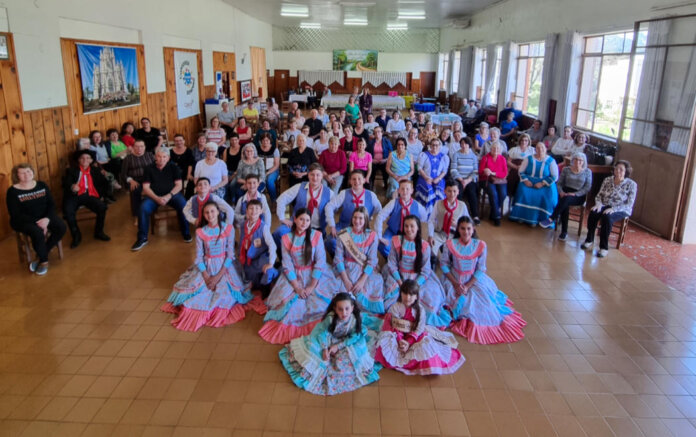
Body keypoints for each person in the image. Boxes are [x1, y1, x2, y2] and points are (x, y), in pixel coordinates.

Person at [161, 201, 254, 332]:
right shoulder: (200, 232)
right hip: (207, 266)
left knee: (224, 295)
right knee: (199, 291)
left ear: (218, 212)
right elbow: (199, 257)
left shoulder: (228, 229)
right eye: (206, 212)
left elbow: (230, 255)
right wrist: (206, 276)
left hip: (224, 266)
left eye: (212, 211)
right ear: (203, 215)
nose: (210, 215)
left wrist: (217, 277)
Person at [440, 217, 527, 344]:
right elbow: (444, 265)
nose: (466, 232)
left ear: (473, 229)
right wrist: (455, 284)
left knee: (481, 307)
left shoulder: (480, 245)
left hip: (473, 280)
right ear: (458, 229)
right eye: (462, 228)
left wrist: (467, 286)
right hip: (454, 279)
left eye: (469, 229)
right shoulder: (450, 244)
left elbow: (481, 269)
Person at [259, 208, 339, 344]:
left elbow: (320, 261)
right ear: (294, 219)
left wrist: (311, 286)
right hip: (294, 275)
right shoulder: (286, 238)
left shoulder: (317, 236)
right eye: (301, 219)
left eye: (307, 220)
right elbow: (287, 264)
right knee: (290, 305)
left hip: (315, 275)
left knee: (322, 304)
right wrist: (297, 287)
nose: (304, 223)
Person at [279, 292, 381, 395]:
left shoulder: (354, 320)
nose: (344, 313)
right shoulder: (331, 318)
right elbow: (322, 333)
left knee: (351, 355)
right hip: (328, 339)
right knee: (315, 351)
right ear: (335, 309)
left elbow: (355, 336)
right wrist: (324, 349)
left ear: (352, 308)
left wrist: (339, 346)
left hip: (345, 342)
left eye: (347, 309)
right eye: (340, 309)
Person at [375, 279, 465, 375]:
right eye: (405, 293)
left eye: (411, 294)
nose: (408, 297)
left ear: (416, 297)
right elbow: (395, 326)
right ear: (401, 293)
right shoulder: (395, 307)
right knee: (382, 346)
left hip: (413, 336)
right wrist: (400, 340)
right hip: (397, 335)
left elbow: (419, 329)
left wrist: (408, 342)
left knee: (426, 349)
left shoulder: (420, 311)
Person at [383, 215, 451, 328]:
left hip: (418, 278)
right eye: (406, 226)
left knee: (430, 298)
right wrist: (401, 283)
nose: (409, 229)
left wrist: (414, 286)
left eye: (412, 226)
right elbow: (392, 264)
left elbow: (425, 270)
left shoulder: (424, 246)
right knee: (392, 298)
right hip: (399, 276)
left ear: (418, 228)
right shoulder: (396, 241)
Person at [6, 163, 67, 275]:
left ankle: (41, 254)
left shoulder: (41, 185)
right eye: (23, 173)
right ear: (16, 175)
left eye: (29, 171)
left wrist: (47, 219)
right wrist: (38, 223)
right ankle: (44, 261)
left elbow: (51, 204)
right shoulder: (12, 191)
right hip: (23, 220)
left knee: (61, 227)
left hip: (44, 216)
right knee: (37, 232)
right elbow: (16, 214)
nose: (27, 174)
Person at [131, 146, 190, 251]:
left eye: (164, 157)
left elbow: (179, 185)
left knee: (183, 205)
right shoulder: (149, 168)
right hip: (154, 196)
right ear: (155, 157)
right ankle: (142, 238)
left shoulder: (173, 167)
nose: (161, 159)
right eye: (159, 156)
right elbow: (146, 187)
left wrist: (168, 196)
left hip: (172, 195)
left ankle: (186, 232)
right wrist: (157, 198)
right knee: (143, 208)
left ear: (168, 158)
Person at [335, 208, 387, 314]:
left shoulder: (372, 235)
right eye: (355, 217)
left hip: (364, 270)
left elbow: (372, 260)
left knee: (377, 281)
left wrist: (362, 280)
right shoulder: (343, 234)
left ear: (366, 220)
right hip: (346, 270)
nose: (357, 221)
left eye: (360, 218)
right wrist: (346, 280)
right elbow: (338, 259)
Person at [274, 163, 333, 256]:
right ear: (308, 174)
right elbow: (282, 198)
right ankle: (283, 259)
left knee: (308, 252)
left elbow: (336, 208)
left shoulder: (329, 193)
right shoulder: (299, 187)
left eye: (318, 175)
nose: (315, 178)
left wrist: (332, 225)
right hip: (296, 225)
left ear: (322, 176)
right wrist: (282, 218)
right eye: (312, 174)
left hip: (316, 228)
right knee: (278, 233)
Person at [581, 160, 637, 258]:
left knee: (607, 217)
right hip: (604, 204)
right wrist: (598, 204)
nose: (618, 171)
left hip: (621, 209)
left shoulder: (632, 184)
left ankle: (604, 247)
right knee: (594, 212)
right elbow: (599, 195)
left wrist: (614, 209)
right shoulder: (608, 180)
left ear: (626, 171)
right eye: (616, 168)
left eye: (621, 169)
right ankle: (589, 239)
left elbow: (629, 203)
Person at [324, 171, 382, 256]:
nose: (356, 181)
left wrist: (369, 216)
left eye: (359, 179)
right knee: (330, 241)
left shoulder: (371, 195)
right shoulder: (344, 193)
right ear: (350, 181)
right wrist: (332, 226)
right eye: (353, 179)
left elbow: (379, 210)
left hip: (363, 228)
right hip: (344, 226)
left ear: (364, 180)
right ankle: (338, 259)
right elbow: (329, 206)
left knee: (371, 242)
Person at [62, 150, 111, 248]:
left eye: (88, 158)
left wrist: (101, 196)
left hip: (90, 195)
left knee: (102, 207)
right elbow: (65, 183)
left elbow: (105, 184)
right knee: (68, 212)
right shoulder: (71, 170)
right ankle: (76, 235)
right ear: (78, 160)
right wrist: (72, 186)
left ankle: (99, 232)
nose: (85, 160)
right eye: (82, 158)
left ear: (91, 160)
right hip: (74, 195)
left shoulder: (95, 170)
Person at [540, 152, 592, 240]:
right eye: (576, 159)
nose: (578, 162)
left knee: (565, 200)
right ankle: (563, 232)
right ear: (573, 160)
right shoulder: (566, 169)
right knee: (565, 202)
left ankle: (552, 218)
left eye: (580, 160)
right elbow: (559, 184)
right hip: (565, 192)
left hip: (578, 195)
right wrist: (561, 192)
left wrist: (575, 194)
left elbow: (587, 188)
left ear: (583, 162)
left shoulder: (587, 172)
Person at [509, 142, 559, 226]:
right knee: (523, 191)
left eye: (542, 148)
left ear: (545, 149)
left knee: (547, 196)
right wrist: (525, 181)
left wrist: (542, 184)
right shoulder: (528, 158)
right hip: (529, 181)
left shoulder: (551, 161)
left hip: (544, 184)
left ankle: (543, 219)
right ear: (535, 149)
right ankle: (521, 217)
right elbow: (521, 171)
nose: (540, 150)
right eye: (538, 148)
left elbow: (555, 176)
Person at [374, 180, 427, 258]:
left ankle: (405, 262)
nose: (404, 191)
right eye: (402, 189)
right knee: (383, 246)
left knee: (417, 249)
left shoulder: (418, 206)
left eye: (407, 189)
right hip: (393, 231)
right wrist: (379, 236)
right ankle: (392, 260)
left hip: (410, 234)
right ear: (398, 190)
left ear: (412, 191)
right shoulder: (393, 203)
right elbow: (380, 216)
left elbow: (424, 218)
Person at [239, 199, 278, 298]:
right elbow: (242, 242)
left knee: (268, 271)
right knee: (250, 280)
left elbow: (272, 245)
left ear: (261, 211)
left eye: (257, 208)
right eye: (251, 208)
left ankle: (266, 286)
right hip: (249, 257)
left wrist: (271, 263)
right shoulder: (243, 225)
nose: (254, 211)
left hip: (261, 256)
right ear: (246, 211)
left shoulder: (263, 227)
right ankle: (258, 282)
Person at [428, 180, 470, 256]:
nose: (452, 194)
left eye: (454, 191)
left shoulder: (462, 205)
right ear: (445, 191)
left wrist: (457, 225)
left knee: (455, 255)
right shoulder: (438, 203)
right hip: (439, 233)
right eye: (449, 191)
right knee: (431, 250)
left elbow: (468, 224)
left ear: (458, 192)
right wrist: (430, 235)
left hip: (455, 235)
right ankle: (434, 260)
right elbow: (431, 220)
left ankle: (447, 253)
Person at [120, 140, 154, 223]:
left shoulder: (149, 155)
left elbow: (155, 168)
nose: (139, 148)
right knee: (135, 191)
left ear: (145, 147)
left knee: (157, 189)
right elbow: (123, 174)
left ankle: (152, 210)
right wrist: (130, 180)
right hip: (136, 180)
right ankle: (137, 215)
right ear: (133, 147)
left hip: (149, 179)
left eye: (142, 146)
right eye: (137, 146)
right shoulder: (128, 158)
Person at [415, 139, 450, 218]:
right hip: (424, 178)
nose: (434, 147)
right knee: (429, 190)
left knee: (439, 190)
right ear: (430, 146)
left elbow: (444, 171)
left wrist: (438, 178)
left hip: (438, 179)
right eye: (433, 145)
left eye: (436, 145)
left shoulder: (444, 157)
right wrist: (426, 178)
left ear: (439, 146)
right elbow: (419, 168)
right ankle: (427, 214)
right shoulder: (424, 155)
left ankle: (438, 214)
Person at [450, 137, 480, 225]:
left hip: (469, 179)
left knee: (472, 193)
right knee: (458, 193)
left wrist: (467, 180)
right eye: (462, 144)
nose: (464, 145)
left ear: (469, 145)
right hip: (459, 179)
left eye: (466, 144)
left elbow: (475, 171)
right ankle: (457, 215)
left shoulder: (473, 156)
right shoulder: (456, 155)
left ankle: (475, 215)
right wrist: (461, 180)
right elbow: (453, 170)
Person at [479, 141, 507, 226]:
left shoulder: (502, 159)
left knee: (503, 194)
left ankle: (493, 212)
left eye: (498, 148)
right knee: (493, 193)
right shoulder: (485, 158)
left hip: (499, 180)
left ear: (500, 150)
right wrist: (485, 171)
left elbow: (504, 173)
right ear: (490, 149)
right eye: (494, 148)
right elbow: (480, 172)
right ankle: (497, 216)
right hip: (486, 179)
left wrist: (494, 173)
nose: (496, 150)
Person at [506, 133, 535, 199]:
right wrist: (516, 167)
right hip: (515, 168)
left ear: (528, 141)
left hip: (527, 169)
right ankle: (510, 197)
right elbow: (508, 161)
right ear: (519, 141)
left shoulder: (532, 150)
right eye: (522, 140)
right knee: (512, 178)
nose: (524, 142)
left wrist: (524, 168)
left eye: (526, 140)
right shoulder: (514, 149)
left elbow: (534, 162)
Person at [170, 134, 195, 199]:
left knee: (190, 181)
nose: (179, 142)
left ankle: (187, 199)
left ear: (184, 141)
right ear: (174, 142)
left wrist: (189, 174)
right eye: (176, 141)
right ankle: (177, 197)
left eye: (180, 140)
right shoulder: (170, 151)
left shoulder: (188, 150)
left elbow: (190, 163)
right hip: (175, 172)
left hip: (186, 171)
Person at [256, 133, 280, 199]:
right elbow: (254, 162)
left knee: (269, 181)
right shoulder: (257, 150)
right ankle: (258, 199)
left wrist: (267, 173)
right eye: (263, 140)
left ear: (270, 141)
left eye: (267, 140)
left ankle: (273, 200)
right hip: (259, 170)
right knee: (255, 181)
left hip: (272, 170)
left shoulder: (275, 150)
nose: (265, 142)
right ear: (261, 141)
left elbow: (276, 165)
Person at [223, 133, 242, 201]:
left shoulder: (242, 149)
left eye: (235, 140)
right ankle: (225, 201)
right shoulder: (226, 150)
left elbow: (241, 165)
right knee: (224, 184)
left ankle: (233, 201)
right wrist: (225, 174)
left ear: (238, 140)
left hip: (238, 172)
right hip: (228, 172)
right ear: (229, 141)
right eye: (232, 140)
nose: (234, 142)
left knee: (232, 184)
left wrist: (234, 175)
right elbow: (224, 164)